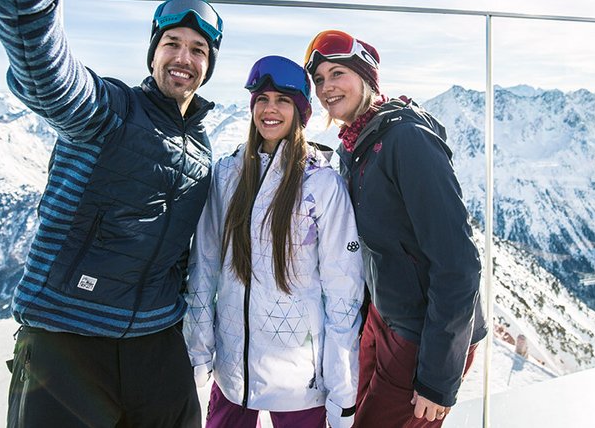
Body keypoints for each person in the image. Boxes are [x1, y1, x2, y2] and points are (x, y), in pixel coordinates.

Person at [0, 0, 224, 427]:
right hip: (66, 342)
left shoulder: (205, 145)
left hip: (155, 345)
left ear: (209, 66)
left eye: (198, 50)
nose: (184, 58)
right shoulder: (111, 109)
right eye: (172, 43)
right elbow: (49, 78)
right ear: (153, 52)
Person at [303, 30, 487, 426]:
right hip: (385, 319)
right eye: (319, 80)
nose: (327, 87)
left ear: (366, 78)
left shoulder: (406, 140)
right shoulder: (357, 144)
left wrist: (437, 378)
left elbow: (459, 263)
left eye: (338, 74)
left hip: (423, 335)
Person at [185, 55, 365, 428]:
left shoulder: (321, 184)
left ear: (301, 112)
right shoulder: (228, 175)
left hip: (300, 381)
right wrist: (199, 354)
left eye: (283, 100)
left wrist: (342, 388)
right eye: (262, 99)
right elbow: (204, 269)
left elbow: (342, 291)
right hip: (233, 374)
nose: (270, 109)